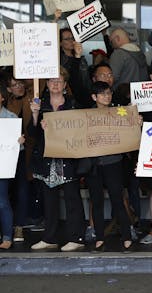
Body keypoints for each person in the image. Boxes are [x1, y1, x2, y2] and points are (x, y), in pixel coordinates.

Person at [29, 69, 86, 252]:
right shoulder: (40, 104)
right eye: (52, 80)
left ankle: (76, 237)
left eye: (59, 81)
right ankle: (49, 237)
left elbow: (81, 130)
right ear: (46, 84)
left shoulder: (73, 104)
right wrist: (36, 116)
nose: (55, 84)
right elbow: (31, 134)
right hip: (47, 159)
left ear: (65, 85)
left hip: (68, 159)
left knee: (72, 199)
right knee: (49, 200)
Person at [85, 82, 134, 253]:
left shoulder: (118, 110)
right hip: (94, 165)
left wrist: (136, 120)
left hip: (113, 162)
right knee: (96, 201)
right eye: (102, 94)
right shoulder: (85, 115)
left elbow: (129, 121)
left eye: (108, 93)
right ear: (94, 97)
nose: (107, 96)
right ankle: (99, 237)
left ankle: (127, 236)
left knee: (117, 199)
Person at [0, 82, 25, 249]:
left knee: (2, 201)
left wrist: (19, 142)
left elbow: (19, 148)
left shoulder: (10, 118)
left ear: (2, 98)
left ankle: (7, 236)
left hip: (3, 165)